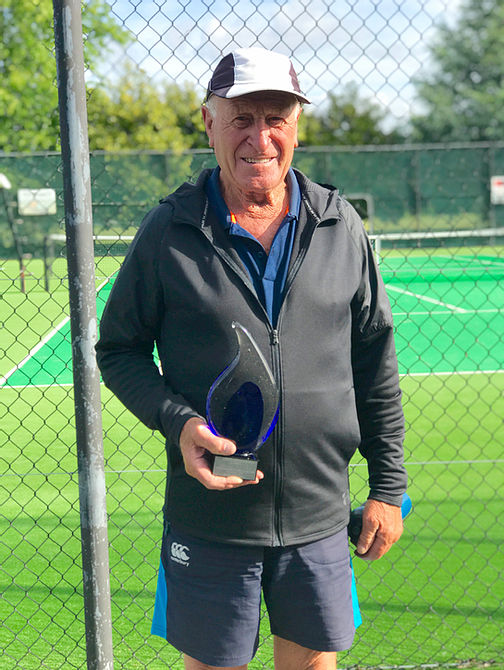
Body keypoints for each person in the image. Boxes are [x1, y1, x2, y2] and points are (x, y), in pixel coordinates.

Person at [95, 46, 407, 670]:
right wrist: (178, 420)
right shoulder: (169, 231)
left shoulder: (339, 224)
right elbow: (119, 349)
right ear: (208, 123)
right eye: (241, 118)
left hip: (320, 514)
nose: (259, 138)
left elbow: (374, 360)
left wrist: (388, 487)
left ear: (296, 126)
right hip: (210, 517)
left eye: (275, 119)